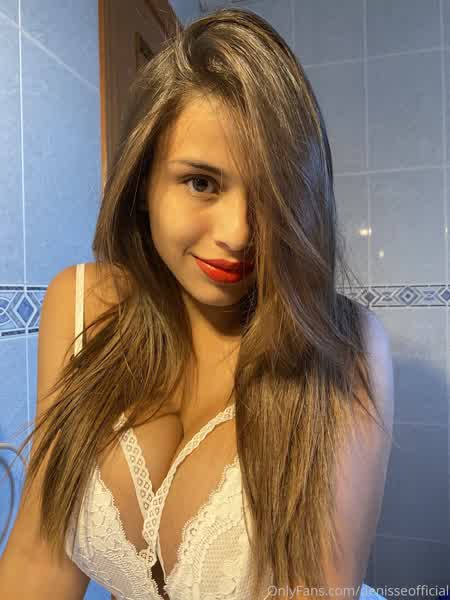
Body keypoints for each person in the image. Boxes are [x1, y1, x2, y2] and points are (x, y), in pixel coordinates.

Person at [0, 7, 394, 600]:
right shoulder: (78, 306)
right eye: (202, 182)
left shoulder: (340, 350)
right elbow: (40, 558)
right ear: (143, 183)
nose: (239, 233)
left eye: (273, 193)